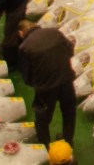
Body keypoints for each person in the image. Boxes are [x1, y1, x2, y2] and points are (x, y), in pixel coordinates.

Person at [18, 20, 76, 149]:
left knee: (43, 119)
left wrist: (37, 82)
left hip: (45, 88)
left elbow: (26, 75)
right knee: (69, 113)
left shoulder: (24, 47)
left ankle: (44, 146)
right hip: (66, 81)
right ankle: (68, 141)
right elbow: (70, 50)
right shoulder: (55, 32)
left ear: (21, 33)